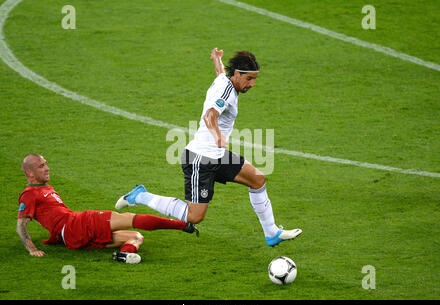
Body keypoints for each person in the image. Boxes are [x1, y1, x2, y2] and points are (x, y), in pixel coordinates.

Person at [116, 48, 302, 247]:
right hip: (200, 159)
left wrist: (217, 60)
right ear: (237, 74)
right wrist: (218, 136)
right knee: (194, 216)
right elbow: (210, 116)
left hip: (218, 155)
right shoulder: (227, 92)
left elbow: (220, 73)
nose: (252, 84)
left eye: (254, 79)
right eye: (249, 79)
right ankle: (140, 195)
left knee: (257, 179)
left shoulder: (225, 80)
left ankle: (271, 233)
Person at [16, 153, 198, 264]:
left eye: (46, 163)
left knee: (136, 237)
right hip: (74, 224)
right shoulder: (29, 194)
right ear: (30, 173)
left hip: (72, 235)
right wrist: (32, 249)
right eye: (41, 166)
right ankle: (182, 225)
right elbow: (21, 225)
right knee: (129, 218)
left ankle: (125, 255)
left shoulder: (44, 187)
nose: (47, 168)